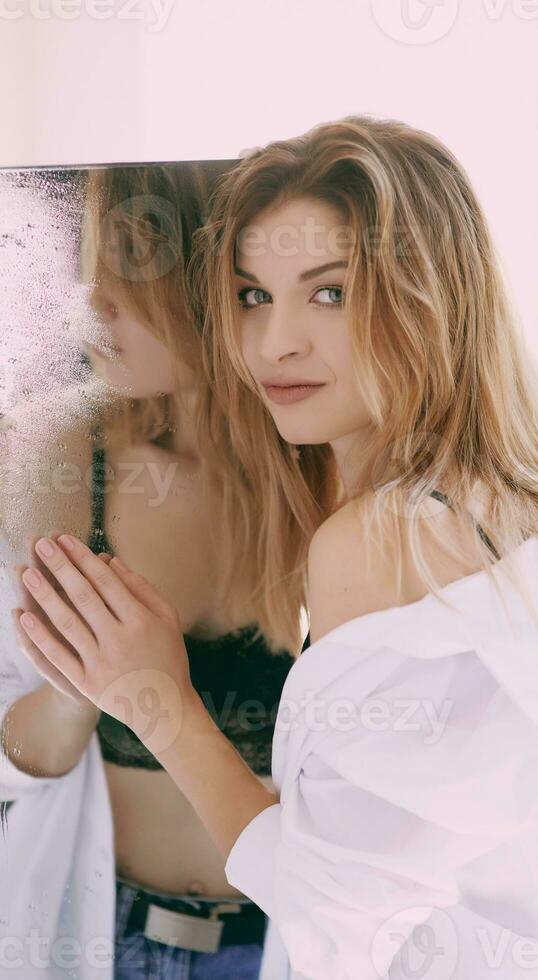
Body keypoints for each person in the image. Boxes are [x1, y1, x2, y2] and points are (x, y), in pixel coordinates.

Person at [14, 116, 538, 979]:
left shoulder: (377, 540)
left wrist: (156, 698)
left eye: (330, 292)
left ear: (430, 293)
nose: (275, 342)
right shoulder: (530, 496)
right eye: (254, 294)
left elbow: (325, 898)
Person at [0, 161, 299, 979]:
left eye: (132, 257)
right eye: (90, 260)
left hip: (294, 942)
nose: (92, 300)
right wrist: (74, 687)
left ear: (224, 271)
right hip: (106, 934)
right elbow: (11, 753)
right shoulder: (58, 457)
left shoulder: (330, 471)